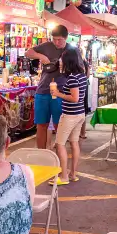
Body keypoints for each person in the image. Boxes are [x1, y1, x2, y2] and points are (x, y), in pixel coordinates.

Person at [26, 25, 68, 150]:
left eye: (59, 40)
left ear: (66, 38)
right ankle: (41, 154)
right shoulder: (47, 46)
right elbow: (28, 52)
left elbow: (80, 70)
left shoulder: (71, 50)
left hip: (60, 92)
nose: (56, 42)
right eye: (54, 39)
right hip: (43, 90)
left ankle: (60, 155)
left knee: (58, 125)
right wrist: (40, 56)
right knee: (41, 124)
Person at [50, 48, 88, 183]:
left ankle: (64, 176)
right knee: (74, 143)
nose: (61, 63)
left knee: (59, 144)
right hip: (79, 114)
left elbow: (75, 98)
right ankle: (73, 174)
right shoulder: (82, 76)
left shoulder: (72, 78)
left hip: (70, 115)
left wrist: (58, 94)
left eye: (62, 60)